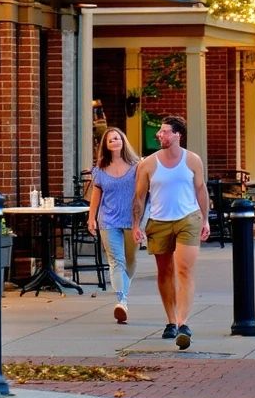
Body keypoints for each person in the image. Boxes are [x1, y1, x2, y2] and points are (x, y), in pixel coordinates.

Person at [132, 116, 209, 350]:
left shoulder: (192, 160)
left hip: (188, 219)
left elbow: (200, 189)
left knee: (184, 269)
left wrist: (205, 220)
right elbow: (139, 197)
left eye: (165, 132)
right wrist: (136, 225)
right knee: (164, 272)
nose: (160, 135)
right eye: (160, 132)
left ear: (178, 135)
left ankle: (183, 323)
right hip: (159, 221)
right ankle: (170, 320)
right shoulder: (147, 164)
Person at [87, 128, 140, 324]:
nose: (115, 142)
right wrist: (91, 217)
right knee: (116, 260)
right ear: (106, 146)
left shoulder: (137, 166)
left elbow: (145, 193)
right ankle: (121, 301)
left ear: (123, 141)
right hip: (108, 220)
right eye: (110, 140)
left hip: (132, 221)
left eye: (117, 138)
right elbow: (96, 194)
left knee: (130, 259)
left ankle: (123, 290)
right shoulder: (100, 169)